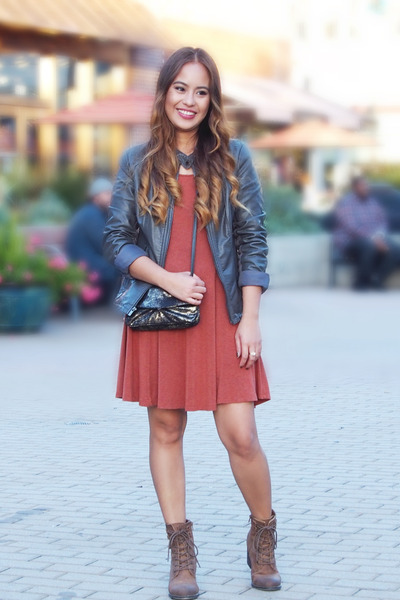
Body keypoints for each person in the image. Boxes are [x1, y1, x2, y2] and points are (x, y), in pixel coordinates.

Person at [104, 47, 281, 599]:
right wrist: (168, 279)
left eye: (201, 91)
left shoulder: (233, 157)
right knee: (166, 429)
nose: (190, 100)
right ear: (164, 94)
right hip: (161, 312)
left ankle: (263, 533)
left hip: (222, 317)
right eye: (180, 88)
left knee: (241, 434)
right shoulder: (138, 161)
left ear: (212, 100)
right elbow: (117, 238)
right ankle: (181, 549)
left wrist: (250, 318)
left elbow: (252, 239)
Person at [333, 176, 400, 290]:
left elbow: (382, 222)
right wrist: (374, 239)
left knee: (396, 250)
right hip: (351, 242)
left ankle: (377, 279)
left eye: (366, 186)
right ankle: (360, 282)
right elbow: (352, 227)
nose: (366, 188)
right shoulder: (346, 203)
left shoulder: (373, 203)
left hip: (376, 239)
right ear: (354, 188)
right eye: (362, 186)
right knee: (369, 246)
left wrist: (379, 236)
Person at [66, 178, 119, 303]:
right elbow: (105, 244)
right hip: (84, 264)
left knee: (123, 264)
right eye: (106, 193)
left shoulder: (96, 213)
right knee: (124, 267)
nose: (111, 197)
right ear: (95, 196)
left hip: (90, 260)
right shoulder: (90, 215)